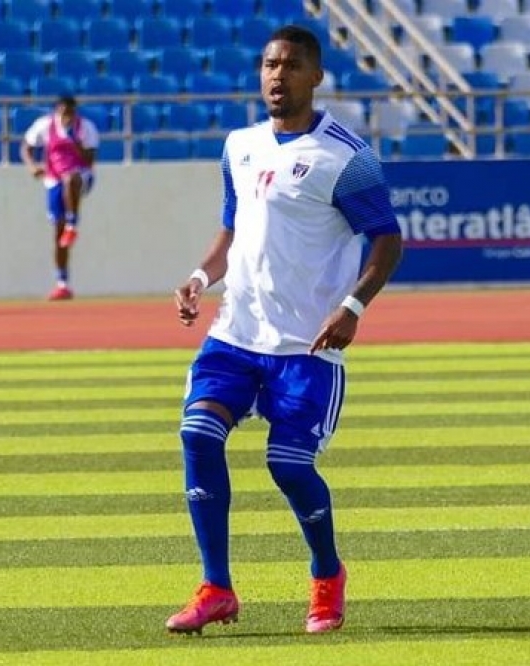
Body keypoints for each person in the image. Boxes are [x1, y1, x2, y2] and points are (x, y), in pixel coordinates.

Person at [165, 25, 403, 636]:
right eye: (270, 64)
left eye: (292, 65)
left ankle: (327, 573)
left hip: (306, 346)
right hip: (235, 335)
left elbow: (387, 240)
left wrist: (353, 306)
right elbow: (233, 227)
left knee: (289, 466)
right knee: (197, 434)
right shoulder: (239, 145)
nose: (278, 75)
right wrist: (199, 276)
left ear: (316, 76)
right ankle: (216, 587)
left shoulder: (346, 157)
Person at [20, 94, 99, 301]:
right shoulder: (45, 125)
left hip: (81, 175)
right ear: (57, 112)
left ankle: (73, 223)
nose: (67, 118)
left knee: (71, 179)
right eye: (64, 113)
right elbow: (26, 146)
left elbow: (90, 159)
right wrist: (32, 166)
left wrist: (75, 141)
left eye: (71, 113)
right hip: (53, 178)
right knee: (58, 233)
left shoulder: (85, 128)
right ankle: (62, 283)